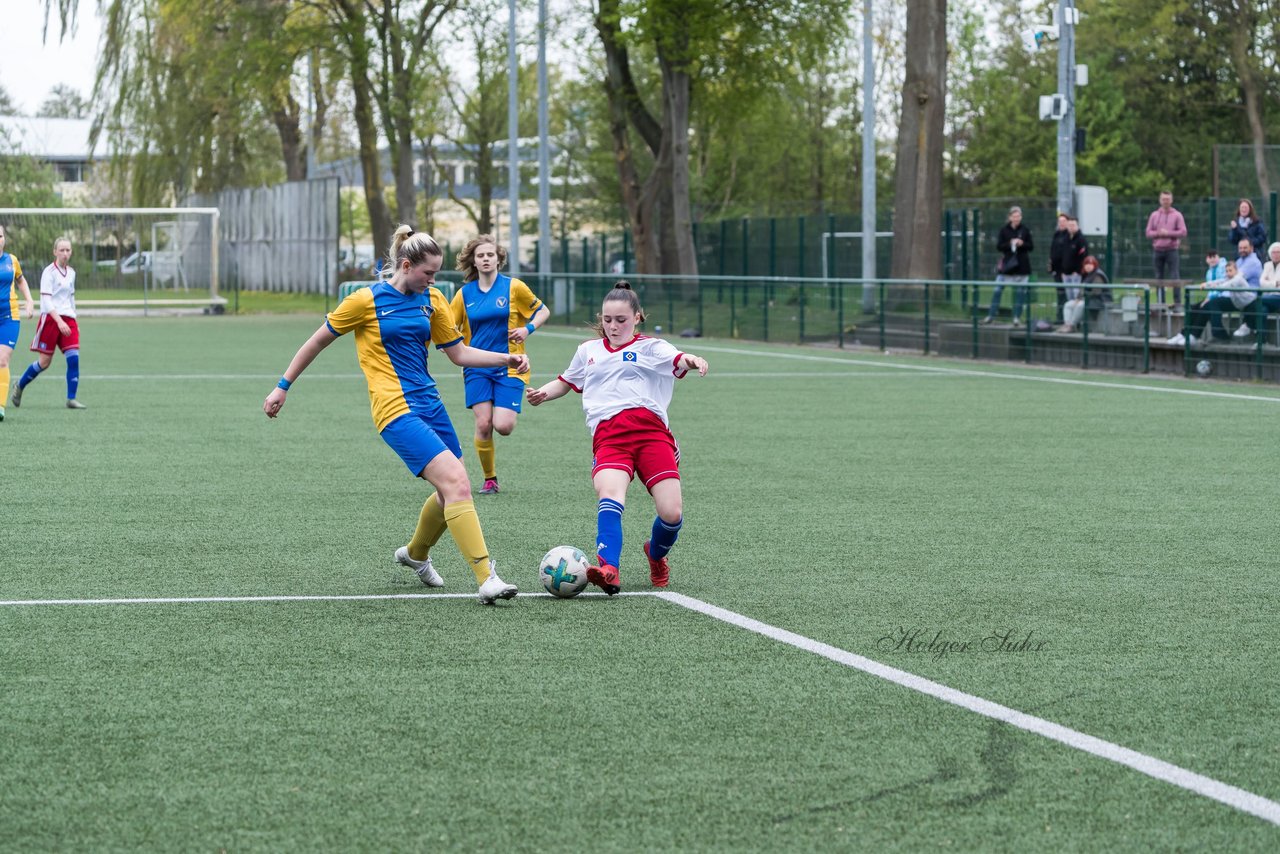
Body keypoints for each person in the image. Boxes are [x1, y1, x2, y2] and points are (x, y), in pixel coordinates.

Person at [263, 225, 527, 605]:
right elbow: (316, 341)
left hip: (430, 404)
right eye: (429, 273)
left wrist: (507, 357)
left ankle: (415, 555)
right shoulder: (363, 301)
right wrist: (282, 387)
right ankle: (487, 578)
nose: (434, 280)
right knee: (457, 484)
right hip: (394, 408)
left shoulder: (432, 299)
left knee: (447, 489)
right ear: (406, 265)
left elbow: (459, 353)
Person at [526, 281, 709, 595]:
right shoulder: (588, 351)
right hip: (610, 437)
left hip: (652, 436)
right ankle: (608, 567)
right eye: (607, 320)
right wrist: (544, 392)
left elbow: (677, 358)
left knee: (672, 513)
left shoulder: (652, 347)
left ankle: (656, 554)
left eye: (621, 320)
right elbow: (566, 381)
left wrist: (690, 360)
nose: (613, 326)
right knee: (610, 496)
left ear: (637, 317)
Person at [450, 234, 550, 495]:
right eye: (480, 255)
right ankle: (490, 479)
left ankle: (491, 470)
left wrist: (527, 329)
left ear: (498, 259)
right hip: (476, 367)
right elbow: (448, 326)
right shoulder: (464, 294)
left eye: (490, 255)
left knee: (503, 426)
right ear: (473, 260)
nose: (485, 259)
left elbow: (543, 311)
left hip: (511, 365)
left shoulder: (514, 287)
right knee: (483, 424)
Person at [11, 237, 85, 411]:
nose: (65, 254)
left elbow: (71, 298)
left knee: (74, 358)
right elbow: (46, 302)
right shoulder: (48, 272)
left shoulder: (72, 272)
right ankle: (19, 386)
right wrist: (59, 321)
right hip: (51, 320)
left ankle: (71, 399)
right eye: (62, 250)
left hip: (68, 319)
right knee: (44, 362)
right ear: (55, 252)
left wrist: (75, 320)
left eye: (68, 250)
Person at [0, 224, 35, 422]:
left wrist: (29, 300)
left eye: (0, 236)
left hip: (9, 317)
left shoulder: (11, 261)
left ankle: (0, 406)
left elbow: (20, 280)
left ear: (4, 238)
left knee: (2, 359)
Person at [1167, 258, 1244, 347]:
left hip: (1241, 302)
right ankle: (1185, 333)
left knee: (1209, 305)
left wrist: (1210, 296)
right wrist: (1206, 284)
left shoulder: (1237, 278)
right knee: (1196, 306)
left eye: (1230, 271)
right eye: (1226, 271)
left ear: (1236, 270)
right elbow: (1219, 282)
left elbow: (1224, 286)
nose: (1228, 273)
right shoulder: (1221, 275)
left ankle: (1196, 335)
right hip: (1230, 299)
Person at [981, 206, 1033, 325]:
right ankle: (991, 315)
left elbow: (1031, 246)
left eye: (1018, 216)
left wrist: (1022, 243)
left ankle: (1016, 318)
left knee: (1020, 293)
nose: (1016, 219)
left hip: (1022, 267)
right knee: (998, 290)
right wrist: (1009, 244)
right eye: (1014, 216)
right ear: (1010, 217)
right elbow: (999, 246)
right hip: (1007, 267)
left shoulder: (1025, 230)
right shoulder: (1004, 230)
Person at [1145, 191, 1188, 305]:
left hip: (1172, 249)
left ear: (1171, 200)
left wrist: (1168, 233)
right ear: (1160, 200)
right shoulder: (1154, 215)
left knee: (1174, 275)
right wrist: (1158, 234)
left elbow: (1183, 232)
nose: (1165, 201)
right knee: (1158, 276)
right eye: (1163, 199)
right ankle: (1161, 302)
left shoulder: (1177, 215)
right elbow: (1148, 232)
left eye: (1168, 199)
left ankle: (1177, 302)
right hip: (1157, 250)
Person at [1051, 215, 1088, 323]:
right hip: (1066, 274)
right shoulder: (1065, 239)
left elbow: (1083, 257)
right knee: (1069, 299)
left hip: (1076, 275)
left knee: (1076, 298)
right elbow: (1062, 256)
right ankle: (1069, 321)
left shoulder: (1081, 240)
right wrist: (1062, 271)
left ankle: (1076, 321)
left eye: (1073, 225)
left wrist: (1077, 271)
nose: (1071, 227)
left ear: (1077, 226)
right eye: (1070, 225)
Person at [1059, 255, 1110, 333]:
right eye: (1086, 264)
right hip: (1087, 299)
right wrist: (1077, 299)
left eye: (1090, 264)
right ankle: (1067, 324)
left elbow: (1096, 292)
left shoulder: (1098, 275)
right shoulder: (1088, 275)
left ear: (1094, 265)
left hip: (1099, 301)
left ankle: (1072, 325)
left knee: (1080, 305)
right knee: (1068, 304)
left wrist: (1081, 299)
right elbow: (1082, 290)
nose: (1088, 266)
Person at [1229, 238, 1264, 337]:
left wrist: (1220, 285)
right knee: (1211, 304)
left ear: (1252, 248)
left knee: (1215, 303)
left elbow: (1236, 278)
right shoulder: (1239, 261)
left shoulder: (1253, 262)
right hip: (1239, 296)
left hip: (1250, 297)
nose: (1242, 250)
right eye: (1240, 248)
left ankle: (1248, 325)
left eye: (1245, 247)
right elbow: (1229, 276)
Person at [1227, 199, 1268, 263]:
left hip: (1256, 254)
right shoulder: (1236, 223)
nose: (1244, 209)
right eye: (1242, 207)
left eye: (1246, 207)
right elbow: (1232, 240)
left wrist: (1249, 244)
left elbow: (1263, 237)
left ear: (1250, 209)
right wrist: (1234, 229)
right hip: (1240, 256)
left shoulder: (1257, 221)